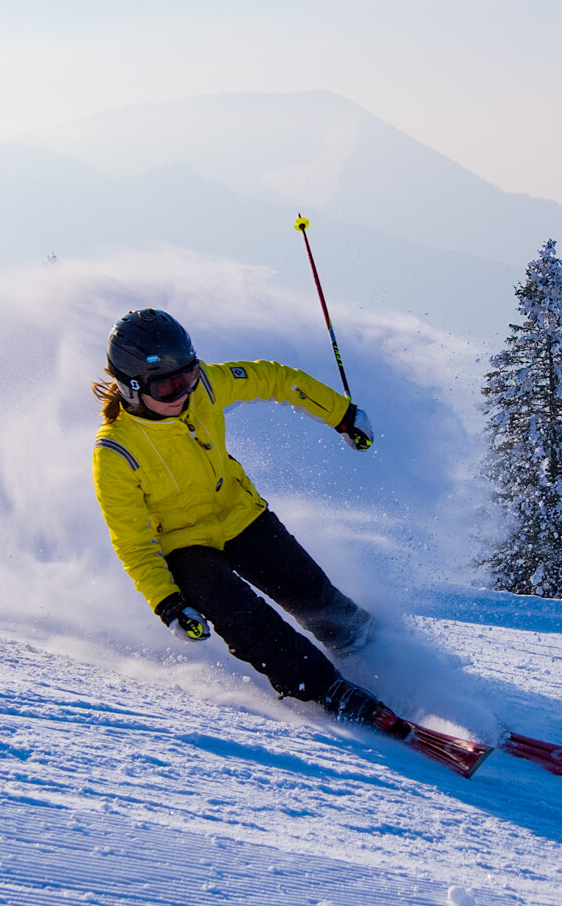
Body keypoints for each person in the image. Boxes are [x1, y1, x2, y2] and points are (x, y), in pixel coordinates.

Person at [89, 307, 414, 740]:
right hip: (187, 548)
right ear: (131, 388)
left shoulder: (204, 386)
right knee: (246, 620)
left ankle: (380, 653)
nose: (184, 392)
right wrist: (168, 602)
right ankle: (325, 688)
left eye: (188, 375)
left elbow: (274, 378)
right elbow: (132, 542)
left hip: (240, 514)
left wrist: (340, 414)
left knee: (312, 594)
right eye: (169, 386)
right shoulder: (116, 452)